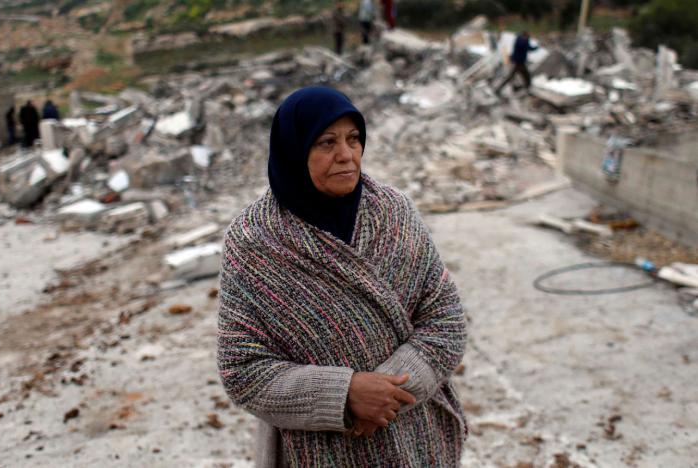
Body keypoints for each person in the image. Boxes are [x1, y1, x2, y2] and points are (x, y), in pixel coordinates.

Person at [217, 86, 467, 467]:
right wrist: (346, 395)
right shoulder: (254, 241)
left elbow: (445, 318)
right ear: (294, 151)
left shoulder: (394, 213)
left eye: (354, 139)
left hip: (417, 439)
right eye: (326, 143)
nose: (346, 155)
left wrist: (390, 393)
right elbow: (242, 370)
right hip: (321, 453)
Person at [495, 31, 538, 96]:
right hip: (517, 62)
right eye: (527, 37)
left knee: (525, 75)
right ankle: (498, 89)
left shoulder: (524, 41)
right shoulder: (519, 39)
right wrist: (527, 41)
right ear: (524, 35)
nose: (528, 38)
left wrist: (536, 47)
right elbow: (522, 45)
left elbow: (529, 48)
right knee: (523, 75)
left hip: (520, 62)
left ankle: (527, 88)